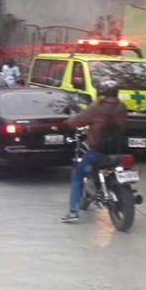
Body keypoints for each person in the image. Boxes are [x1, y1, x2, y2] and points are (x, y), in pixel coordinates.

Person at [59, 80, 128, 223]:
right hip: (117, 150)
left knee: (77, 177)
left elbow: (78, 121)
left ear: (101, 94)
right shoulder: (122, 107)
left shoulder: (97, 108)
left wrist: (67, 122)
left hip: (97, 151)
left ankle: (73, 212)